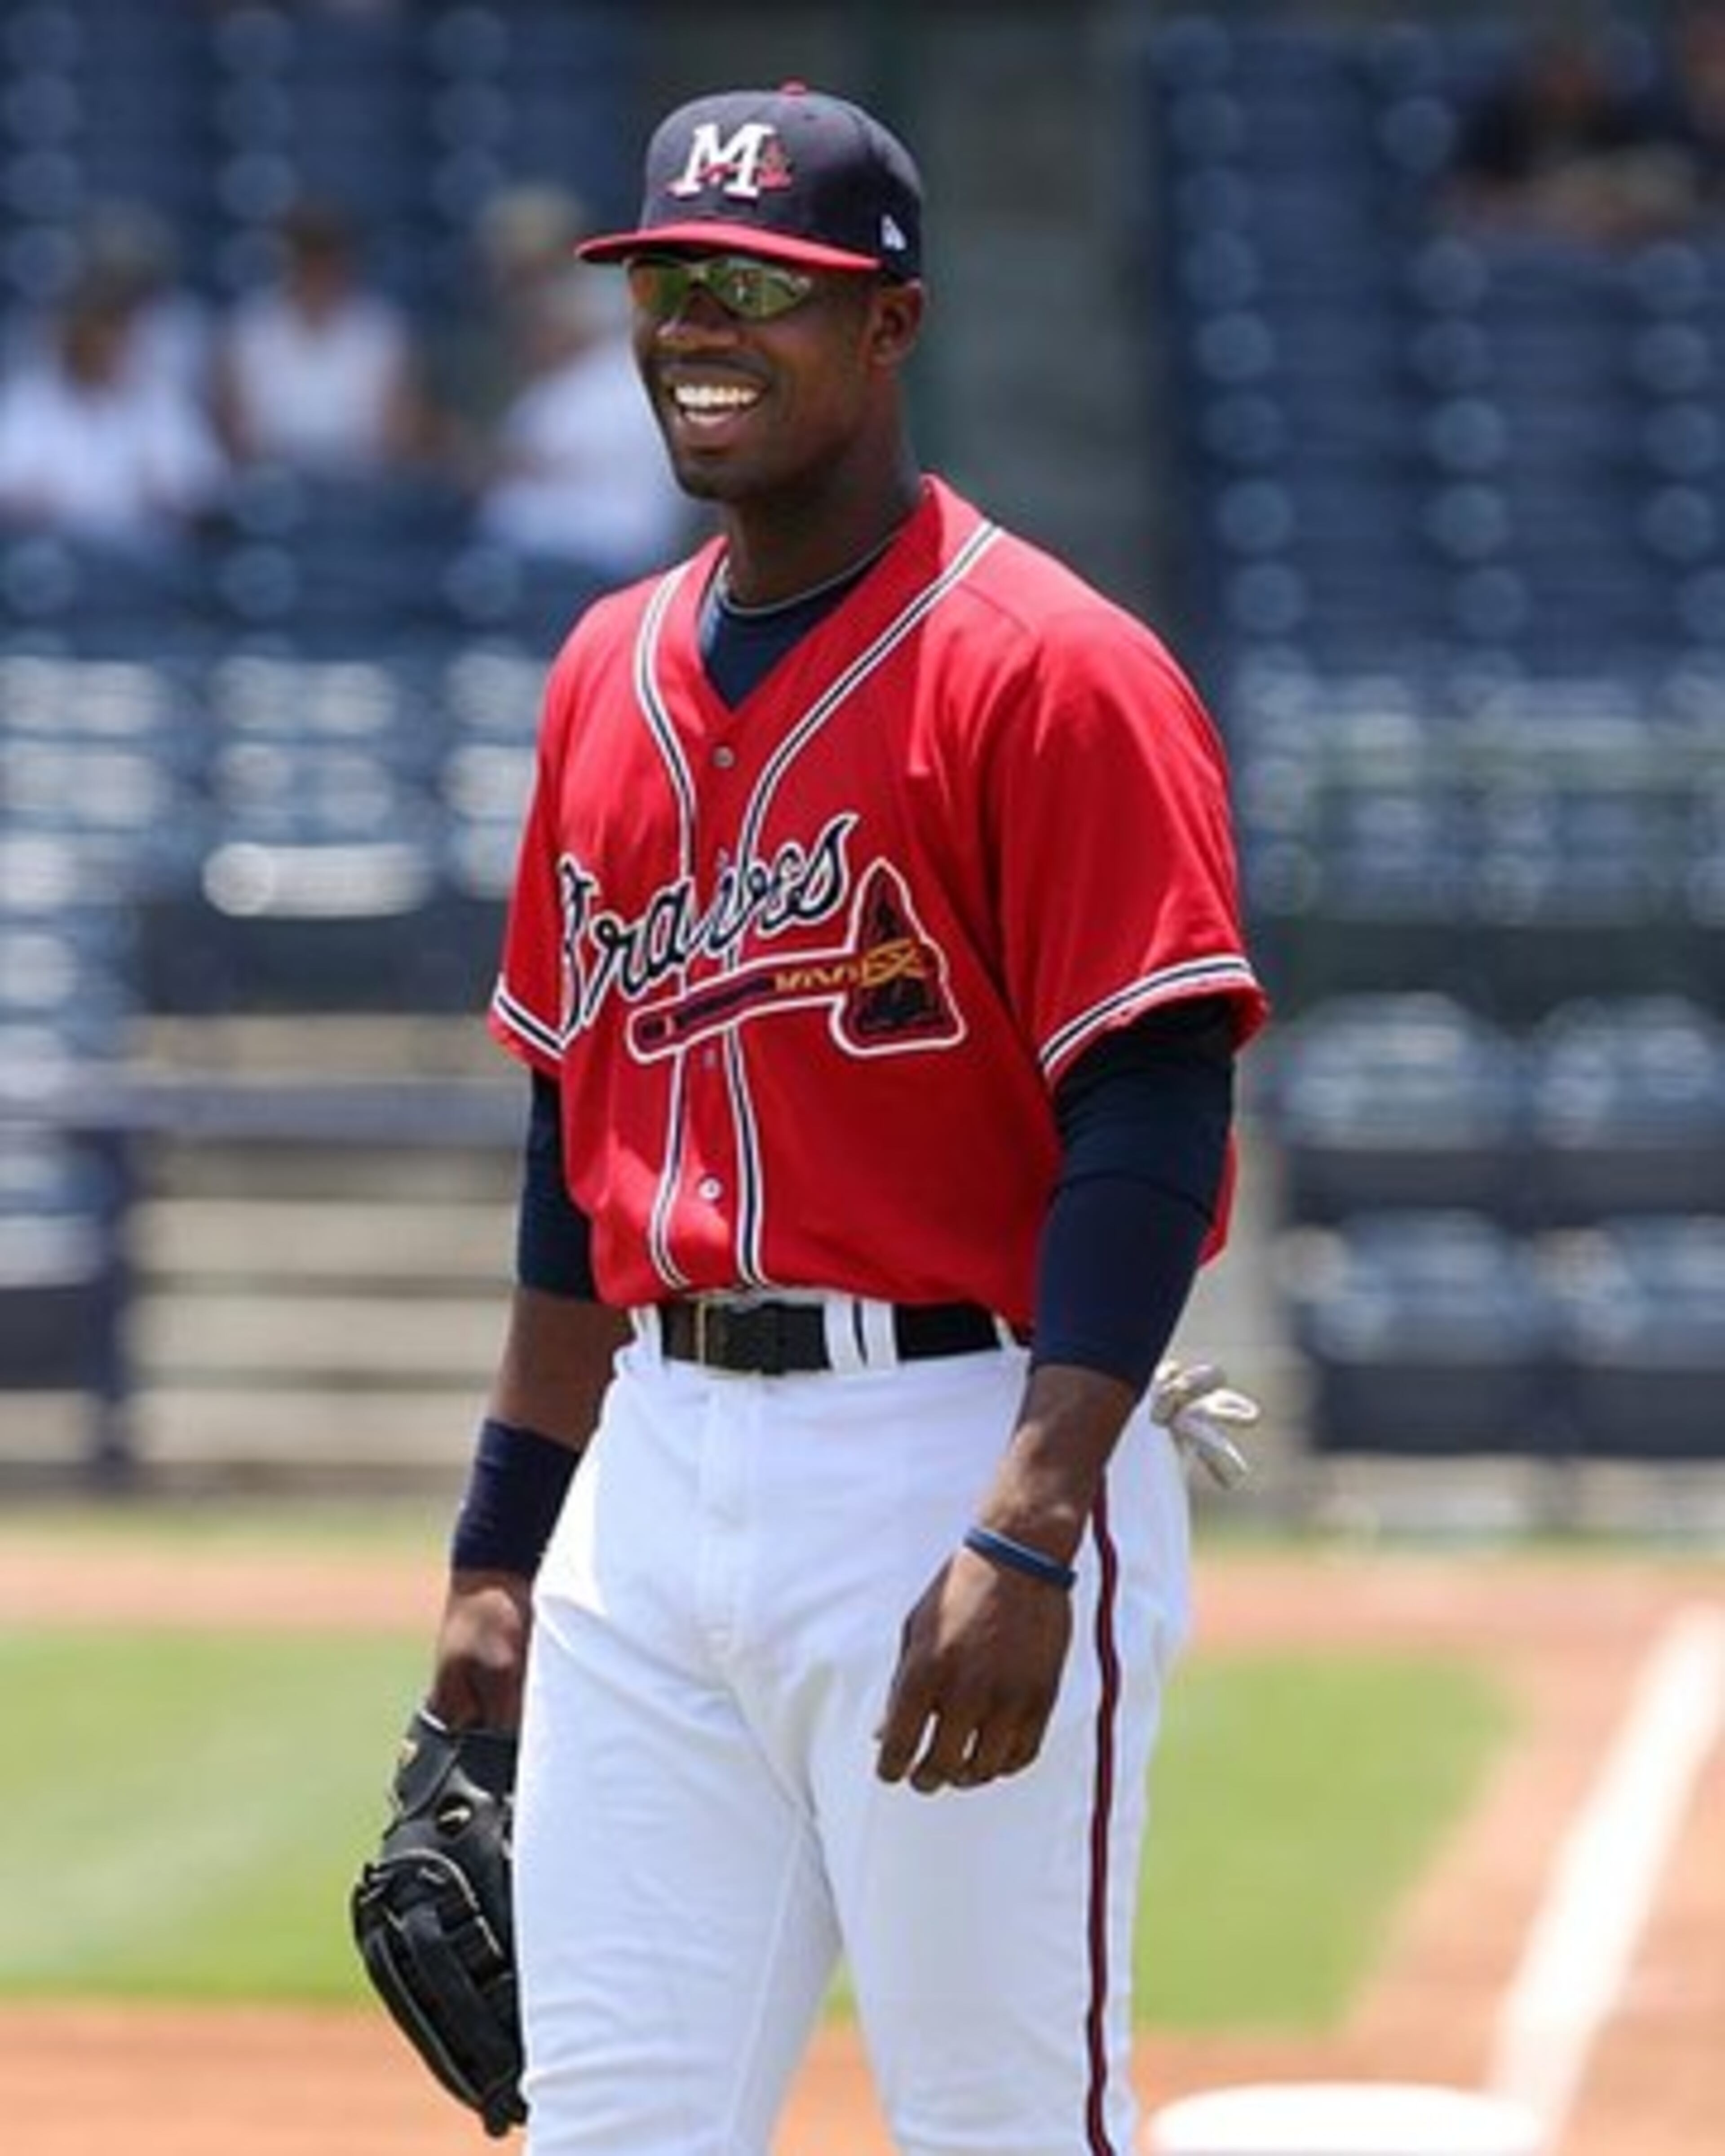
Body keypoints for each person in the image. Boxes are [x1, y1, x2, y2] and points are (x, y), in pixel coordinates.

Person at [420, 82, 1267, 2156]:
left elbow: (1149, 1103)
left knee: (997, 2119)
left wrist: (1033, 1511)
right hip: (660, 1462)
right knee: (612, 2122)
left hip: (950, 1444)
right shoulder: (601, 673)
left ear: (892, 325)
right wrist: (496, 1556)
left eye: (763, 288)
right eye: (669, 282)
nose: (700, 324)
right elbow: (573, 1150)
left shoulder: (1051, 667)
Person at [0, 265, 228, 549]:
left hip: (141, 548)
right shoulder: (30, 396)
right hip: (55, 546)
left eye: (114, 334)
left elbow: (202, 487)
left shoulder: (157, 399)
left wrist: (166, 490)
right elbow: (10, 491)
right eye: (93, 334)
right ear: (71, 337)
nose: (103, 346)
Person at [213, 197, 429, 473]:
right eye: (309, 254)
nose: (318, 267)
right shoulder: (251, 325)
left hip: (361, 480)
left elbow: (399, 428)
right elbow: (233, 425)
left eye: (328, 254)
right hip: (271, 479)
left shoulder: (382, 327)